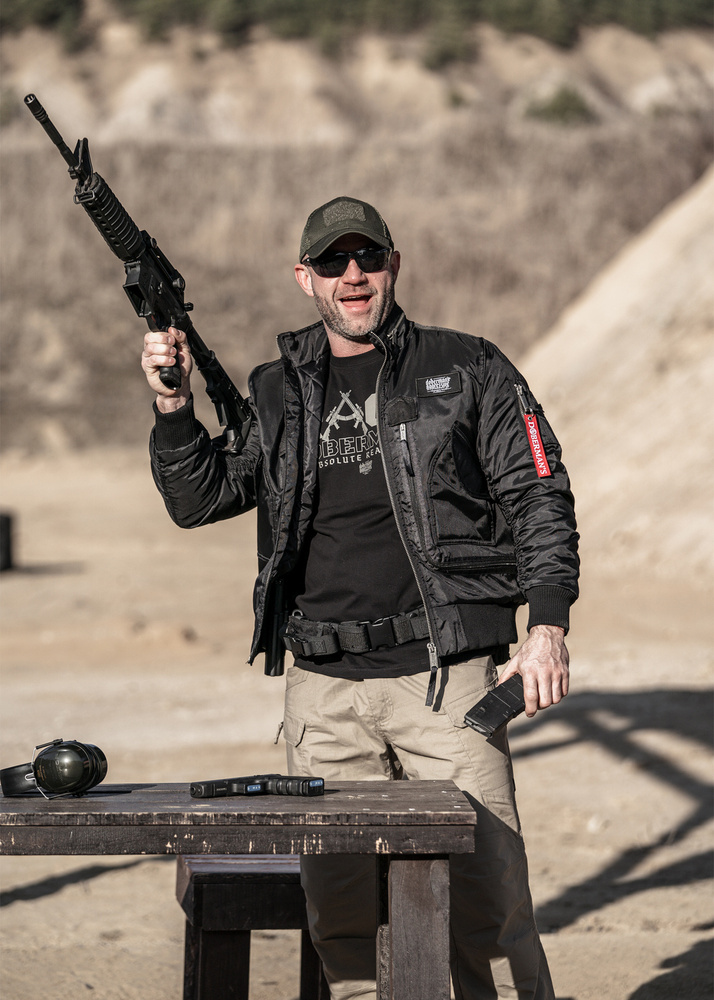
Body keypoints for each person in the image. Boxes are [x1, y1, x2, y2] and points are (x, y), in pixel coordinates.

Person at [142, 196, 578, 1000]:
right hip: (324, 696)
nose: (353, 275)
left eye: (368, 258)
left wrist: (547, 625)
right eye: (333, 262)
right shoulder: (277, 389)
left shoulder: (468, 367)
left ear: (393, 266)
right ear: (304, 277)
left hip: (445, 683)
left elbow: (538, 493)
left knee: (487, 912)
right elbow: (201, 498)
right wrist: (174, 407)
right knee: (343, 926)